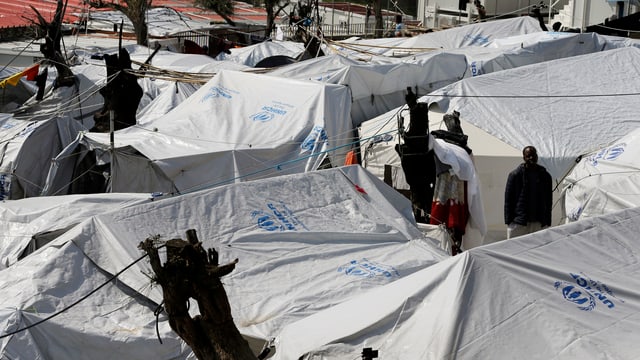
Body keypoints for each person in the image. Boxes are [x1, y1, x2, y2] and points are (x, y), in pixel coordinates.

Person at [504, 146, 552, 239]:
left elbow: (549, 200)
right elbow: (508, 200)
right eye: (528, 156)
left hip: (539, 223)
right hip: (519, 223)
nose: (531, 158)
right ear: (524, 158)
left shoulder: (545, 176)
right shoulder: (515, 175)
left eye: (533, 155)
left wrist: (547, 221)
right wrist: (509, 222)